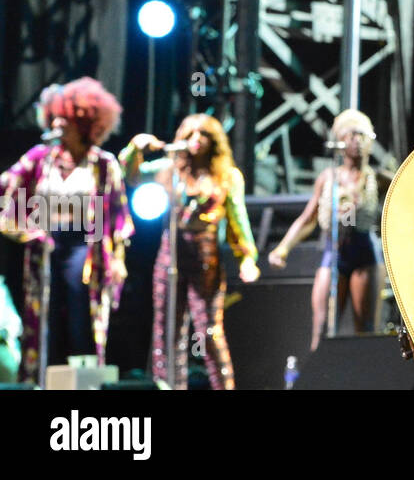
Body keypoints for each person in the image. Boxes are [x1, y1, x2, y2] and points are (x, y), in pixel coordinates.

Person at [0, 78, 133, 384]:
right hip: (46, 241)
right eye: (55, 116)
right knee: (43, 314)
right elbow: (8, 183)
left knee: (80, 316)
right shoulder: (40, 158)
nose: (59, 123)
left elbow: (116, 214)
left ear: (84, 121)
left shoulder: (102, 163)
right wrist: (21, 227)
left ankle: (85, 381)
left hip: (86, 245)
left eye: (67, 118)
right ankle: (43, 379)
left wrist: (119, 260)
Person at [121, 114, 259, 389]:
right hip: (170, 254)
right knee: (167, 333)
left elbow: (238, 220)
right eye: (191, 134)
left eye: (203, 134)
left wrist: (247, 259)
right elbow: (130, 175)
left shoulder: (227, 177)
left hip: (205, 257)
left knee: (208, 331)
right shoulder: (168, 169)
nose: (197, 141)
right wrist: (135, 148)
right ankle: (171, 385)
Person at [268, 109, 389, 350]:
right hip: (333, 252)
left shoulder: (379, 178)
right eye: (351, 135)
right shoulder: (328, 177)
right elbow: (308, 218)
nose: (357, 141)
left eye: (362, 135)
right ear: (340, 141)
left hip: (365, 253)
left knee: (365, 330)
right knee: (322, 327)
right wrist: (283, 248)